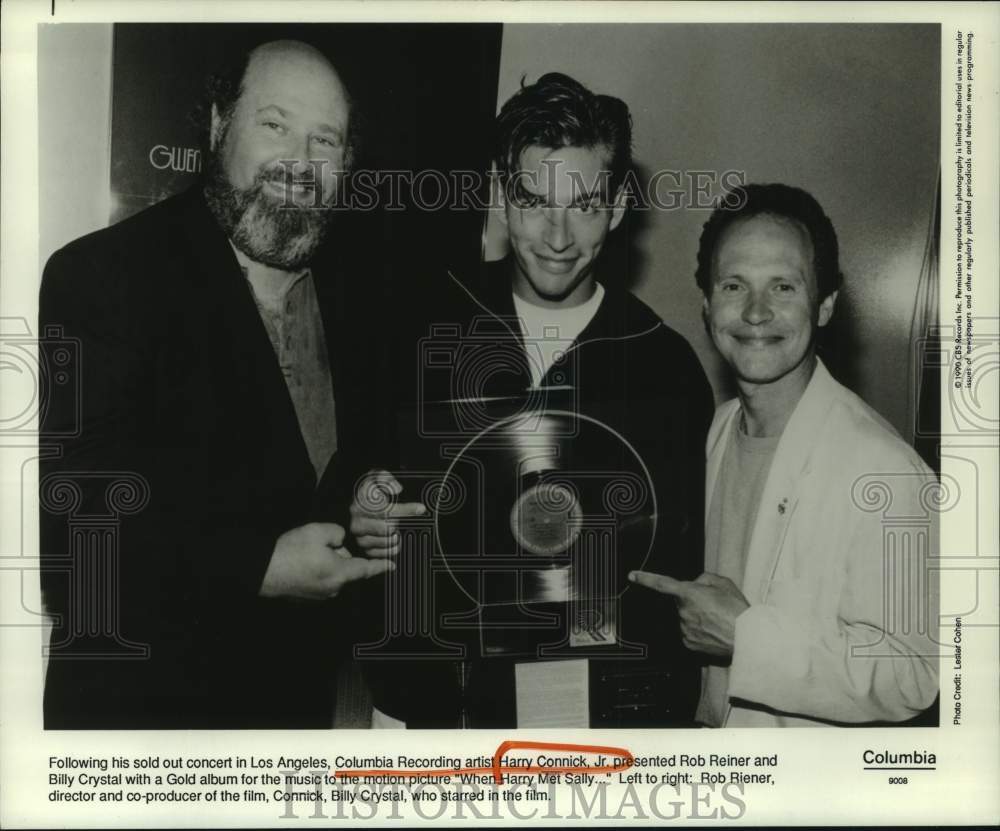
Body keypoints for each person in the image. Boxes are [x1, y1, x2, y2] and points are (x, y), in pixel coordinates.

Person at [39, 40, 394, 729]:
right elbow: (78, 530)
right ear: (216, 128)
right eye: (275, 124)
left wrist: (373, 508)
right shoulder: (106, 276)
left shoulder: (363, 297)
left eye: (325, 139)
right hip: (141, 732)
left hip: (291, 725)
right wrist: (257, 566)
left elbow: (332, 479)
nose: (300, 160)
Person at [352, 73, 714, 728]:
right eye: (533, 200)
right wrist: (360, 500)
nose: (556, 234)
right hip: (422, 710)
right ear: (497, 193)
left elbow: (666, 580)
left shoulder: (665, 367)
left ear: (619, 205)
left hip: (580, 722)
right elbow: (356, 478)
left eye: (583, 203)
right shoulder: (425, 325)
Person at [631, 183, 939, 727]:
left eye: (783, 287)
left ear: (824, 306)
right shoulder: (714, 431)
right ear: (706, 305)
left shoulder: (888, 470)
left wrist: (746, 638)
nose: (755, 312)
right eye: (733, 285)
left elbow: (915, 672)